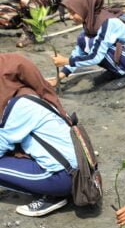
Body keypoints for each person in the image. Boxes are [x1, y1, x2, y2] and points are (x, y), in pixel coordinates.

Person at [0, 53, 76, 217]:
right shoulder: (31, 96)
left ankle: (54, 196)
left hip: (62, 177)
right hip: (75, 169)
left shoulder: (19, 107)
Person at [50, 0, 125, 89]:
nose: (70, 17)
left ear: (84, 8)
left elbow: (96, 57)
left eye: (73, 12)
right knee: (84, 40)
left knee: (94, 45)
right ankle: (116, 72)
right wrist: (58, 78)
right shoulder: (90, 23)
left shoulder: (108, 23)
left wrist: (66, 61)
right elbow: (78, 52)